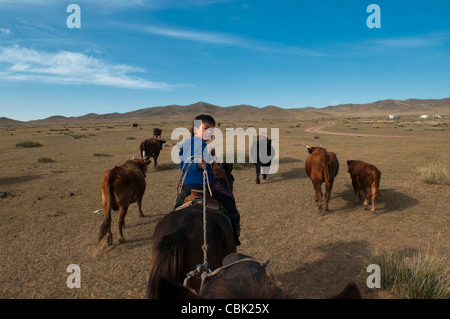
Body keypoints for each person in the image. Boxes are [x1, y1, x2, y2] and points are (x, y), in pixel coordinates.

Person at [175, 114, 241, 246]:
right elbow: (196, 160)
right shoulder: (200, 143)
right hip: (205, 184)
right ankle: (234, 233)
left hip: (186, 185)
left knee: (176, 209)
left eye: (211, 129)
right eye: (205, 128)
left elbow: (182, 156)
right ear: (195, 129)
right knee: (229, 198)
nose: (209, 132)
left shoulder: (186, 143)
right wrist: (199, 164)